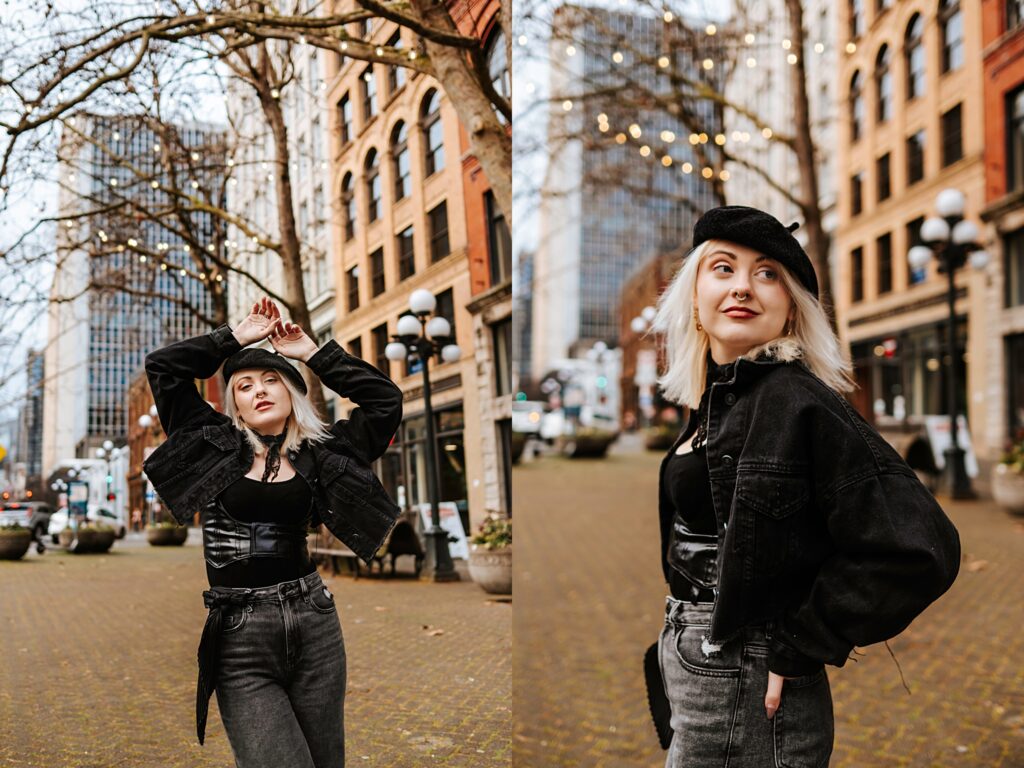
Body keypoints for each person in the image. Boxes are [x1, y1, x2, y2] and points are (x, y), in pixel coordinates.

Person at [651, 206, 960, 767]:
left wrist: (800, 645)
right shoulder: (720, 399)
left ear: (792, 308)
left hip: (746, 678)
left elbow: (917, 549)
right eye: (723, 268)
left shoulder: (795, 399)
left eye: (768, 274)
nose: (743, 286)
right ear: (693, 294)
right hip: (700, 668)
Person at [142, 297, 403, 768]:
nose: (259, 391)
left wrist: (313, 353)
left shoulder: (325, 453)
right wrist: (234, 339)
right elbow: (163, 367)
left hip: (314, 622)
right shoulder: (209, 442)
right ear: (235, 404)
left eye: (271, 381)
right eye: (244, 386)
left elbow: (386, 401)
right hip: (241, 636)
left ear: (292, 394)